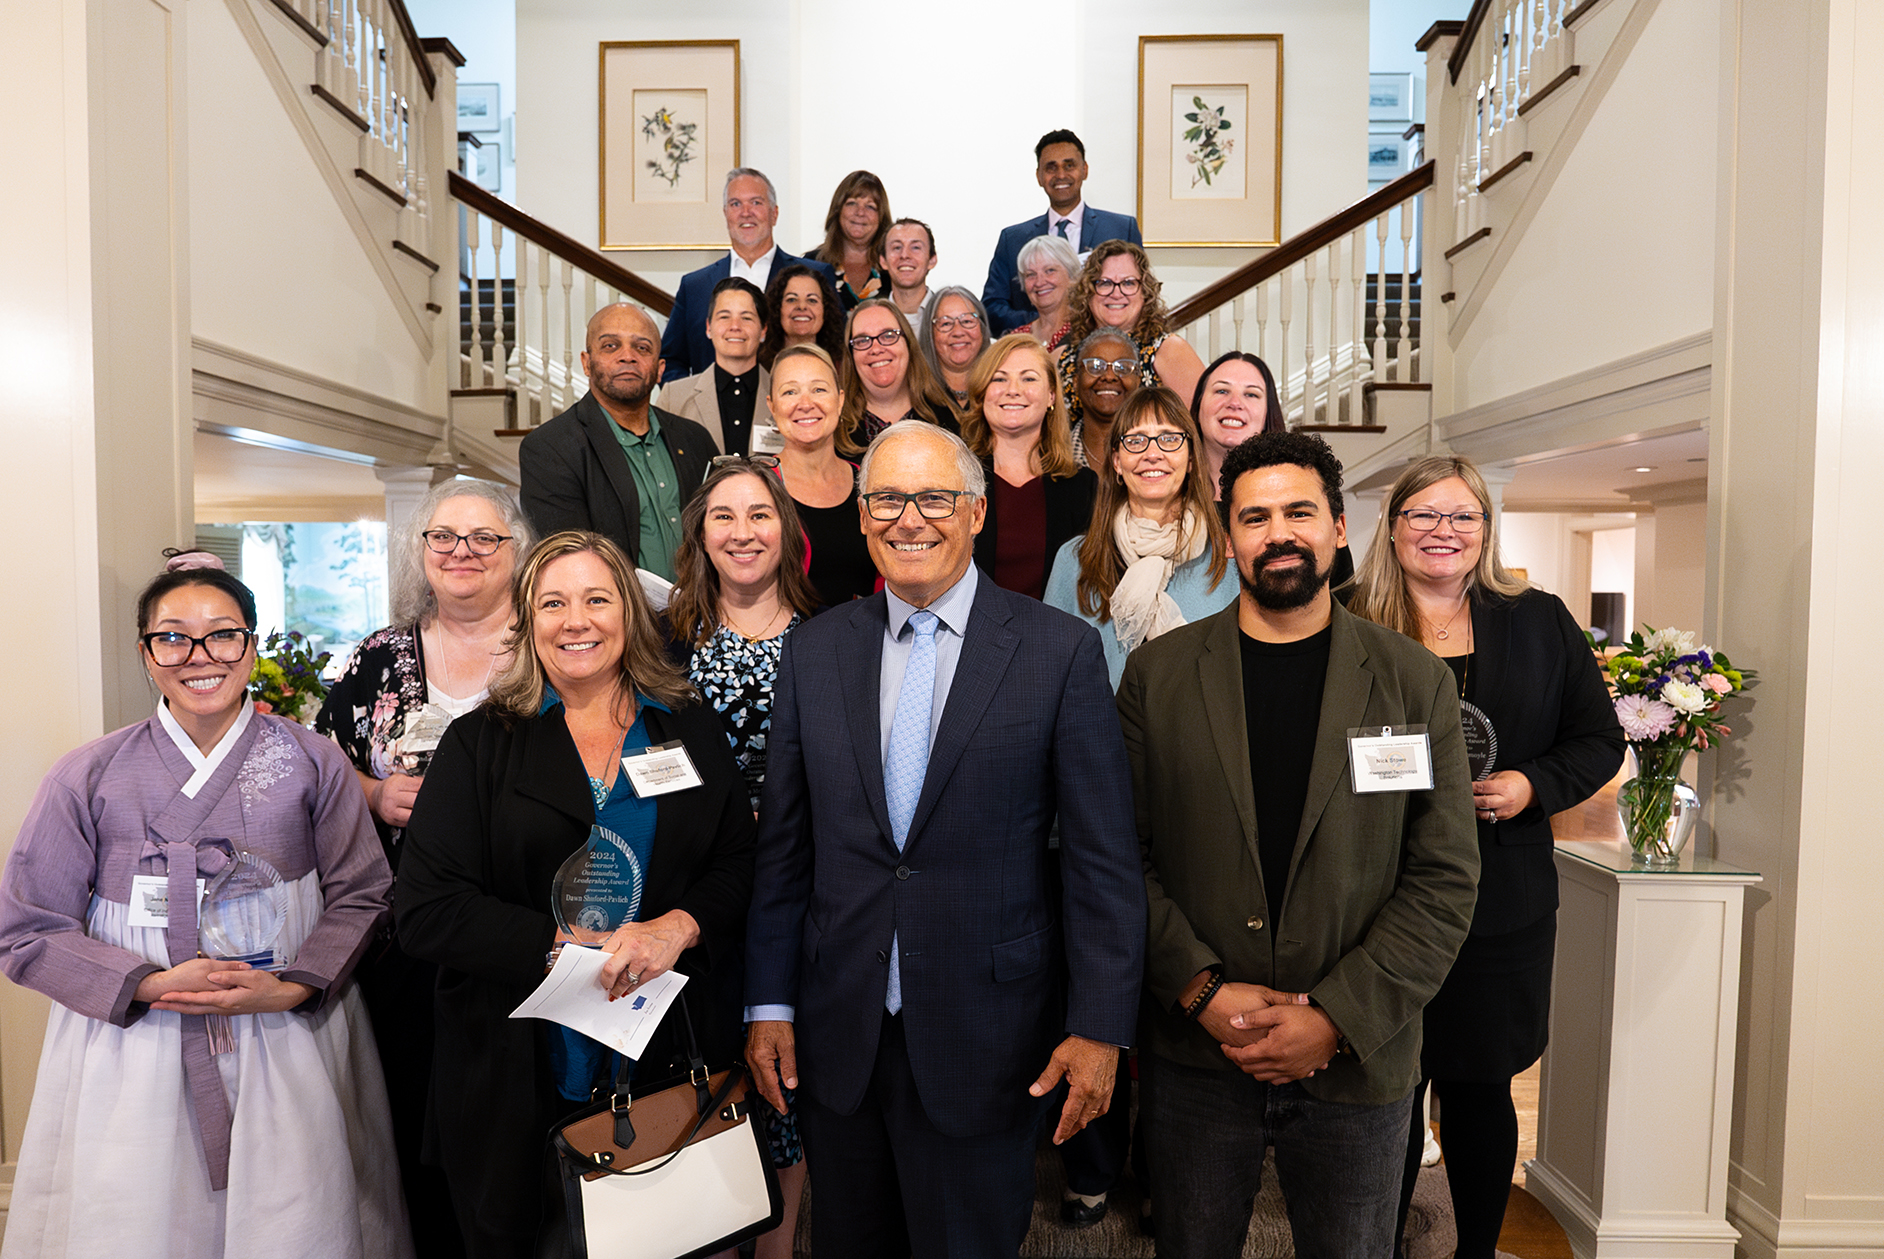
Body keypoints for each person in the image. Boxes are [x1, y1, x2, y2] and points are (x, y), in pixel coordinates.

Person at [744, 422, 1146, 1259]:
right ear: (861, 518)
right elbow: (785, 852)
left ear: (976, 511)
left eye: (934, 497)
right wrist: (770, 1003)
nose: (908, 518)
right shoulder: (813, 653)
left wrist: (1100, 1026)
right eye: (886, 498)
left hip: (989, 1035)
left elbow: (1101, 863)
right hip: (839, 1029)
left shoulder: (1057, 652)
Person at [1117, 431, 1480, 1259]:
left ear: (1340, 528)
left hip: (1360, 1061)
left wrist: (1335, 1017)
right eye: (1255, 516)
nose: (1278, 531)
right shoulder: (1158, 676)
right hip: (1199, 1052)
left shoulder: (1412, 679)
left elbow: (1445, 875)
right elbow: (1118, 859)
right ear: (1229, 533)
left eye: (1299, 511)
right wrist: (1204, 992)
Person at [0, 553, 407, 1259]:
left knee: (295, 1206)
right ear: (146, 652)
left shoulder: (312, 761)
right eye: (173, 637)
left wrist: (284, 990)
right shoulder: (88, 773)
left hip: (288, 1027)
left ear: (252, 645)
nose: (199, 656)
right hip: (138, 1037)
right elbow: (28, 925)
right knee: (141, 1208)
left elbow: (364, 893)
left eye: (223, 634)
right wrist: (152, 984)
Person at [397, 531, 758, 1257]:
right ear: (528, 621)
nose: (576, 620)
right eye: (553, 602)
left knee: (674, 1239)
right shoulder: (479, 745)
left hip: (664, 1049)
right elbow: (424, 908)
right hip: (515, 1070)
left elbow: (739, 860)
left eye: (597, 598)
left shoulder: (684, 724)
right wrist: (561, 949)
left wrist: (677, 927)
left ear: (628, 610)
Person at [1347, 455, 1625, 1259]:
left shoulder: (1538, 619)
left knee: (1478, 1085)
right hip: (1373, 893)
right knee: (1382, 1091)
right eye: (1424, 515)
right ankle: (1375, 1243)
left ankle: (1474, 1250)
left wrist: (1531, 784)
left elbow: (1599, 739)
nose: (1444, 531)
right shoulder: (1345, 616)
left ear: (1486, 529)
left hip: (1501, 895)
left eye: (1462, 515)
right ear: (1393, 526)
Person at [316, 478, 533, 1259]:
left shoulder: (554, 643)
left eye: (483, 537)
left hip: (528, 936)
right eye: (444, 537)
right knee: (415, 1126)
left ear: (516, 550)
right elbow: (320, 768)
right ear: (421, 552)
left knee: (516, 1134)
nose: (461, 552)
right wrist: (374, 793)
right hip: (403, 938)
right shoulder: (377, 658)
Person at [665, 460, 823, 1259]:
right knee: (710, 1077)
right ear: (700, 533)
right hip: (695, 892)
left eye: (759, 514)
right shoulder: (665, 641)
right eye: (723, 516)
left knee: (783, 1086)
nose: (742, 531)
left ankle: (780, 1245)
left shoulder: (832, 634)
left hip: (801, 889)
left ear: (786, 530)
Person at [1045, 386, 1233, 688]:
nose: (1153, 454)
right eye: (1136, 440)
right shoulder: (1074, 560)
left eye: (1170, 439)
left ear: (1191, 461)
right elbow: (1049, 671)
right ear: (1117, 462)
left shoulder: (1229, 554)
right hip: (1102, 730)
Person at [520, 303, 719, 581]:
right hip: (618, 619)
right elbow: (568, 562)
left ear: (660, 369)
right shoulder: (550, 448)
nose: (628, 356)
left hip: (703, 613)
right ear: (586, 363)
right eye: (611, 346)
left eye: (642, 348)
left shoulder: (696, 439)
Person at [661, 168, 834, 381]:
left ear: (774, 213)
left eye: (756, 203)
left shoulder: (815, 277)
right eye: (735, 204)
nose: (746, 212)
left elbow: (838, 349)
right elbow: (671, 360)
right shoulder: (694, 286)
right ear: (725, 214)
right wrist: (688, 402)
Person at [961, 333, 1097, 601]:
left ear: (1051, 396)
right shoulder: (952, 480)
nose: (1013, 389)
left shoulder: (1083, 487)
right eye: (999, 378)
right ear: (982, 394)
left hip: (1053, 637)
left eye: (1029, 378)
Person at [983, 129, 1144, 333]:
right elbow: (991, 310)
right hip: (1037, 354)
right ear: (1039, 176)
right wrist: (1048, 321)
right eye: (1051, 168)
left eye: (1069, 165)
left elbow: (1140, 294)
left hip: (1106, 349)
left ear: (1084, 170)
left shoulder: (1121, 229)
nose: (1060, 175)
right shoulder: (1012, 239)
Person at [771, 345, 880, 605]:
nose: (806, 404)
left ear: (840, 400)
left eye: (819, 389)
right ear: (772, 406)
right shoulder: (754, 486)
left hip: (866, 640)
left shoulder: (870, 484)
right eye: (790, 392)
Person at [1059, 241, 1205, 425]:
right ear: (1088, 291)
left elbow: (1200, 424)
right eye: (1104, 283)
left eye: (1128, 283)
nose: (1116, 293)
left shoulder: (1170, 351)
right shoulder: (1063, 357)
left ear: (1145, 291)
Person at [658, 277, 780, 456]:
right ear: (708, 327)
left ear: (763, 330)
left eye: (746, 318)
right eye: (724, 317)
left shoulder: (784, 394)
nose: (735, 326)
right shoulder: (673, 397)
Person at [836, 298, 960, 455]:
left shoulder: (947, 412)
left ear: (908, 343)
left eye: (888, 336)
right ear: (851, 355)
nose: (876, 349)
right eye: (862, 340)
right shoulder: (834, 427)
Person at [1191, 350, 1286, 499]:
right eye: (1221, 391)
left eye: (1251, 394)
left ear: (1267, 414)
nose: (1235, 403)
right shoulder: (1165, 485)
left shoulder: (1291, 490)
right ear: (1198, 406)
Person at [804, 170, 891, 312]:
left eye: (870, 206)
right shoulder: (812, 264)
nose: (860, 212)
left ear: (881, 217)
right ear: (838, 210)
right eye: (852, 203)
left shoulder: (892, 267)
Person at [1069, 328, 1143, 469]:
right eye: (1095, 366)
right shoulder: (1052, 458)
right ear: (1076, 382)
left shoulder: (1156, 455)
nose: (1109, 376)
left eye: (1122, 367)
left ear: (1138, 382)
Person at [758, 262, 847, 371]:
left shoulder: (843, 367)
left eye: (812, 300)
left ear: (825, 310)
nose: (802, 306)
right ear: (777, 308)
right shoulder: (758, 365)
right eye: (791, 299)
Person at [920, 286, 992, 408]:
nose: (958, 332)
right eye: (946, 323)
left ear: (982, 328)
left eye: (967, 321)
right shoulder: (914, 393)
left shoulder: (1001, 386)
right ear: (930, 333)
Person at [1011, 234, 1081, 351]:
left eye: (1050, 271)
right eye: (1031, 274)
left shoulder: (1085, 334)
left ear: (1071, 276)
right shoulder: (1016, 340)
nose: (1039, 282)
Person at [881, 217, 940, 338]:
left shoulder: (947, 316)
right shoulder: (871, 318)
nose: (905, 255)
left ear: (932, 260)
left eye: (915, 247)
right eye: (897, 247)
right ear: (883, 261)